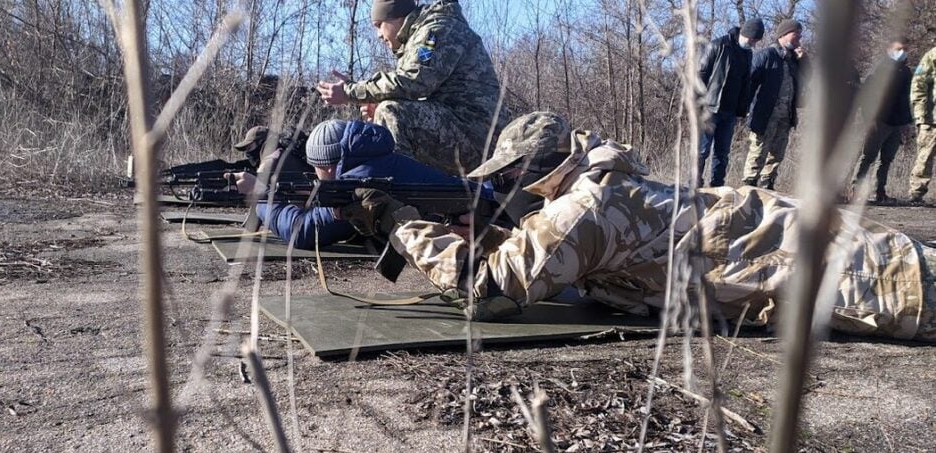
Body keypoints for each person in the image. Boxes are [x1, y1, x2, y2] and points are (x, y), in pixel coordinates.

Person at [341, 111, 936, 342]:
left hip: (882, 279)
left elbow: (488, 291)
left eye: (510, 176)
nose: (503, 187)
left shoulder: (588, 206)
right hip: (862, 257)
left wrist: (403, 225)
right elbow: (552, 256)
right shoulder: (603, 191)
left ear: (541, 171)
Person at [315, 0, 506, 175]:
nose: (379, 35)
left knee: (391, 111)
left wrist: (351, 91)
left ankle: (401, 202)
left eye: (379, 25)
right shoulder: (422, 35)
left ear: (396, 17)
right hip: (467, 133)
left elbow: (414, 82)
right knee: (386, 113)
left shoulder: (437, 30)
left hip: (479, 138)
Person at [252, 119, 480, 250]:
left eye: (316, 169)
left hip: (479, 211)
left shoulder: (358, 182)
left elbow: (301, 231)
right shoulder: (376, 163)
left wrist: (259, 197)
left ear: (327, 167)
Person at [697, 18, 764, 187]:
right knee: (702, 150)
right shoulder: (718, 45)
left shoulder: (748, 54)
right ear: (745, 33)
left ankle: (717, 186)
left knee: (722, 153)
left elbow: (745, 83)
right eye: (752, 40)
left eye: (756, 42)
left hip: (730, 112)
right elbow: (701, 74)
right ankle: (694, 183)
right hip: (710, 108)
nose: (753, 44)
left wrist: (743, 109)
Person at [741, 19, 806, 190]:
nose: (799, 38)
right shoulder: (766, 55)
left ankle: (767, 183)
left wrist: (803, 61)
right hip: (765, 115)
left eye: (800, 35)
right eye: (795, 34)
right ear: (783, 35)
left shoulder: (794, 59)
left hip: (786, 116)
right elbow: (749, 84)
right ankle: (749, 185)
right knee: (758, 151)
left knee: (777, 154)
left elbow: (809, 78)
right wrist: (743, 109)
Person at [852, 38, 914, 205]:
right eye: (899, 48)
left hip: (897, 123)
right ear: (889, 49)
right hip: (879, 121)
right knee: (868, 156)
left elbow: (906, 98)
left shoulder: (906, 72)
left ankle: (880, 192)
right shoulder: (880, 70)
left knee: (887, 159)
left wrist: (907, 122)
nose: (902, 52)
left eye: (905, 49)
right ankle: (855, 191)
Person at [909, 44, 936, 204]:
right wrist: (920, 115)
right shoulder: (932, 55)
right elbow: (918, 85)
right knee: (925, 156)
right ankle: (916, 194)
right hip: (931, 119)